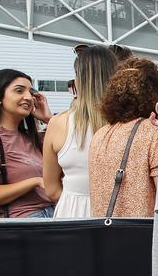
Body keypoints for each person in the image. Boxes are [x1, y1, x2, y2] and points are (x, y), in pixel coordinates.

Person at [43, 45, 118, 218]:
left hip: (71, 214)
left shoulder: (58, 123)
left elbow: (51, 189)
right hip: (117, 214)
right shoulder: (130, 123)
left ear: (78, 80)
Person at [0, 69, 53, 218]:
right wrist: (34, 182)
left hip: (54, 216)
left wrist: (48, 119)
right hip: (25, 223)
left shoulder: (32, 137)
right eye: (19, 91)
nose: (28, 97)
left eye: (31, 92)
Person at [89, 58, 158, 218]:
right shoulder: (154, 132)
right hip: (142, 236)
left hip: (106, 236)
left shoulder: (100, 134)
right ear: (154, 94)